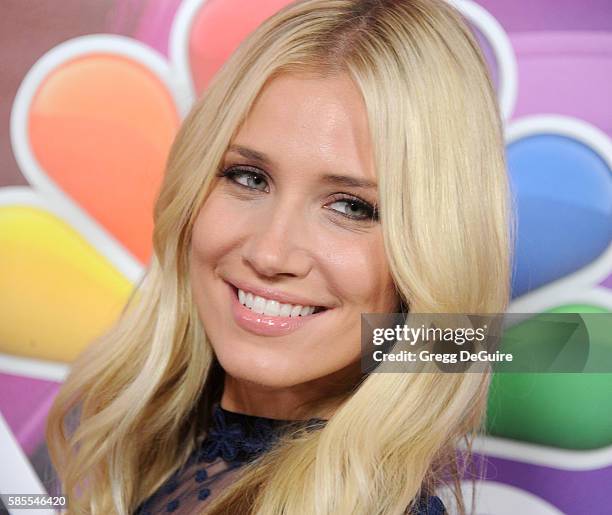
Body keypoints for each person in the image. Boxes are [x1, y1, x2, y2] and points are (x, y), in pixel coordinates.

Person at [46, 0, 512, 513]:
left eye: (351, 207)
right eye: (248, 177)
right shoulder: (170, 458)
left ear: (434, 252)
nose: (270, 252)